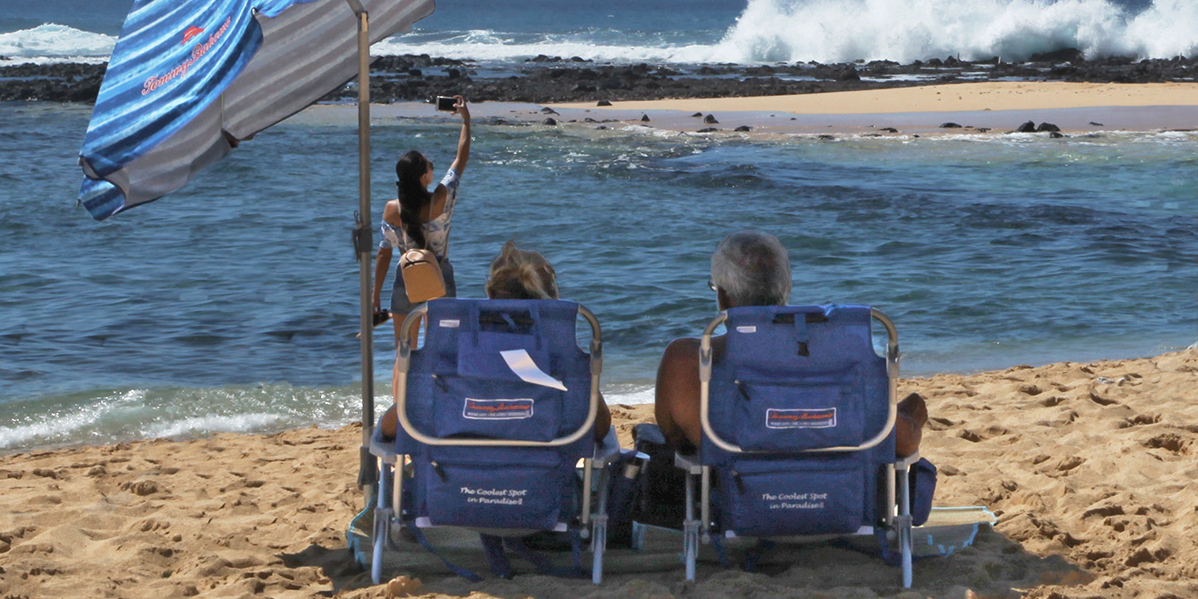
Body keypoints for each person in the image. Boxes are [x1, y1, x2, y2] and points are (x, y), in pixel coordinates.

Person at [652, 231, 925, 454]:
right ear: (786, 290)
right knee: (913, 407)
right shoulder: (838, 354)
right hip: (834, 505)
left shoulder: (684, 360)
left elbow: (674, 439)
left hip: (731, 505)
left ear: (722, 297)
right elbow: (902, 442)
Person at [379, 239, 609, 440]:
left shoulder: (454, 353)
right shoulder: (560, 352)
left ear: (490, 294)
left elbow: (391, 427)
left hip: (454, 481)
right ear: (552, 297)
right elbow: (598, 428)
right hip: (544, 482)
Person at [371, 97, 473, 334]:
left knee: (404, 352)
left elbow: (383, 254)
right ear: (423, 177)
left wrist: (375, 296)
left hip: (407, 277)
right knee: (443, 350)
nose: (432, 168)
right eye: (430, 166)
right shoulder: (441, 198)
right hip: (440, 277)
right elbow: (461, 158)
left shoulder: (392, 209)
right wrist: (466, 120)